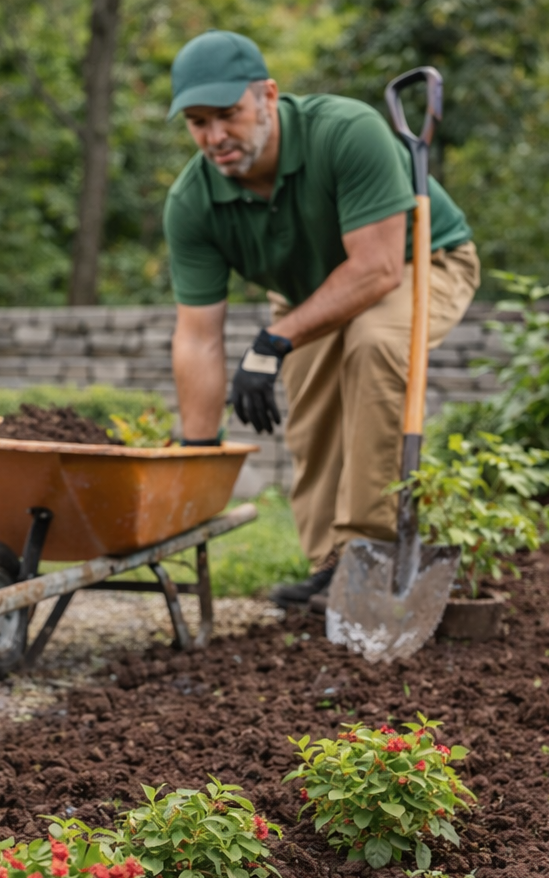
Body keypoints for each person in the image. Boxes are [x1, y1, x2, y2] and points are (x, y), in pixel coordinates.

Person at [163, 31, 480, 610]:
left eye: (228, 115)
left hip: (416, 259)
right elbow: (197, 335)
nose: (215, 138)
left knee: (375, 345)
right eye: (197, 123)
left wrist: (271, 341)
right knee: (310, 404)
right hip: (310, 289)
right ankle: (329, 567)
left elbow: (378, 269)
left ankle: (372, 551)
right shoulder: (193, 202)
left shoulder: (345, 131)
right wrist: (197, 454)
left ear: (268, 96)